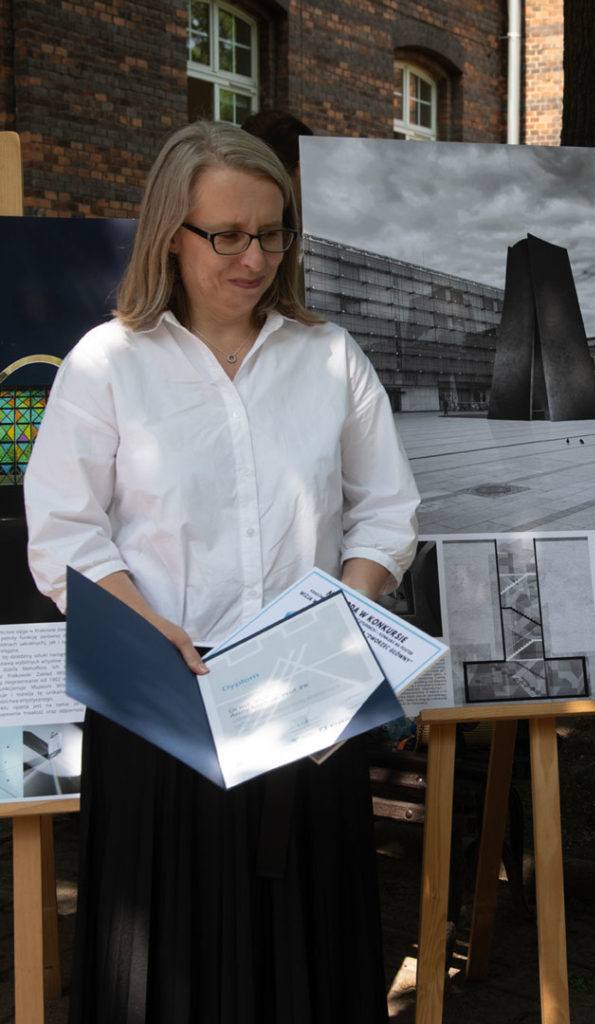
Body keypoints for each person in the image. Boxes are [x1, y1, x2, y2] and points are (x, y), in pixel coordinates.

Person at [24, 120, 419, 1023]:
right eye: (229, 235)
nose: (255, 259)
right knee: (169, 961)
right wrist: (146, 628)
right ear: (172, 233)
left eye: (273, 234)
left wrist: (342, 614)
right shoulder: (109, 363)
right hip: (164, 709)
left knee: (304, 958)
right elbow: (65, 530)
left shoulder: (329, 358)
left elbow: (388, 510)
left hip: (306, 701)